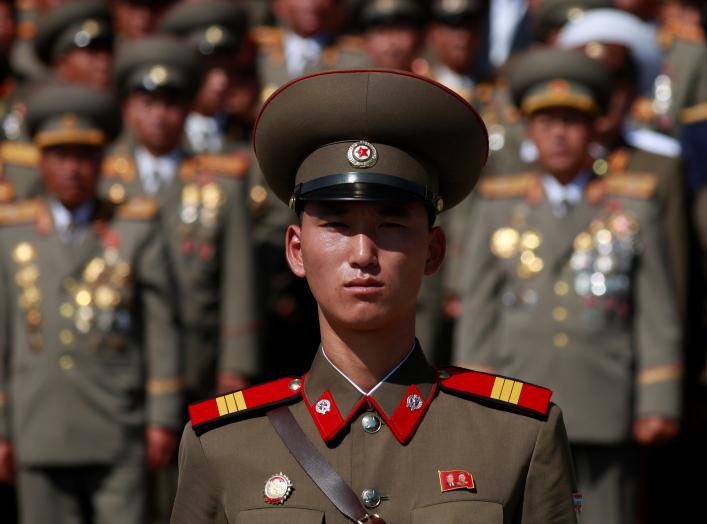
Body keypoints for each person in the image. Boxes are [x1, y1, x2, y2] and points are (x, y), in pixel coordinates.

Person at [171, 68, 579, 523]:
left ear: (433, 250)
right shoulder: (224, 445)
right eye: (337, 225)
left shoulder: (517, 436)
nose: (363, 253)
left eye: (392, 225)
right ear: (296, 250)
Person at [453, 48, 683, 524]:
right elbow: (478, 309)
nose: (559, 133)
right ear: (529, 130)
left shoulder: (632, 206)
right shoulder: (498, 207)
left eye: (573, 121)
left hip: (603, 395)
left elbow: (657, 310)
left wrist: (658, 398)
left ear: (595, 126)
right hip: (519, 392)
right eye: (546, 121)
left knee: (606, 512)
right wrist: (471, 396)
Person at [0, 84, 182, 524]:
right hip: (38, 422)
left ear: (102, 161)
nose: (72, 169)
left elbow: (161, 327)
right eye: (60, 156)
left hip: (115, 421)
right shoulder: (12, 232)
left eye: (84, 156)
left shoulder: (135, 228)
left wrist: (161, 417)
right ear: (40, 161)